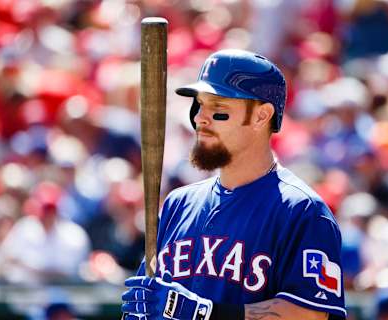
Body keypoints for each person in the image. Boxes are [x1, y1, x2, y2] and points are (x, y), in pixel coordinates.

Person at [121, 49, 346, 319]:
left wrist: (202, 313)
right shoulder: (177, 204)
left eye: (218, 109)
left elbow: (310, 315)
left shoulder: (301, 211)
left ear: (261, 116)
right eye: (199, 105)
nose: (200, 118)